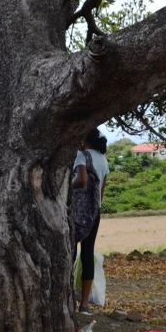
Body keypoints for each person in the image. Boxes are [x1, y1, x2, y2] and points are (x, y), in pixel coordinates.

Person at [71, 128, 109, 313]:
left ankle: (67, 295)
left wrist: (66, 188)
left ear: (85, 139)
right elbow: (101, 190)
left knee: (70, 251)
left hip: (78, 211)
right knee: (87, 254)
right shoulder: (103, 160)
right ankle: (84, 305)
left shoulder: (81, 154)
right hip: (95, 212)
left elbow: (82, 180)